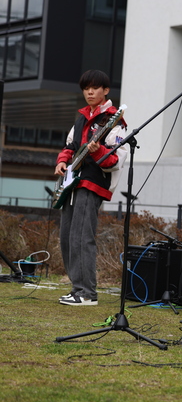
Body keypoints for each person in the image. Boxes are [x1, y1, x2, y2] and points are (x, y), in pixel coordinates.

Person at [55, 70, 129, 306]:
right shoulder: (81, 118)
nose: (89, 92)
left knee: (82, 236)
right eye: (86, 88)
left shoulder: (113, 120)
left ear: (106, 91)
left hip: (93, 183)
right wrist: (62, 162)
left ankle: (87, 293)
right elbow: (70, 145)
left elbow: (115, 161)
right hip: (73, 183)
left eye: (95, 87)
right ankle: (77, 287)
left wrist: (98, 151)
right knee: (66, 237)